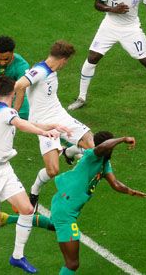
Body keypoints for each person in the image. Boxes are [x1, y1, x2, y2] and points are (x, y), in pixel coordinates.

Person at [0, 76, 69, 275]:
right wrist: (45, 133)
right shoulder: (7, 112)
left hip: (3, 168)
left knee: (27, 209)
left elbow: (23, 121)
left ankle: (17, 256)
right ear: (13, 93)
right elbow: (21, 125)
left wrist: (52, 126)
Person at [13, 41, 95, 208]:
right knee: (52, 170)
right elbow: (19, 84)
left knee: (90, 143)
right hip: (43, 124)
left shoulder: (50, 69)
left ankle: (69, 152)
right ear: (64, 59)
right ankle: (34, 190)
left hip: (59, 115)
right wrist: (15, 112)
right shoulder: (41, 70)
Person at [51, 132, 146, 274]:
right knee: (72, 264)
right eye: (110, 148)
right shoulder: (91, 155)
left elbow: (114, 183)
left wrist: (130, 191)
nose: (111, 151)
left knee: (53, 224)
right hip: (66, 209)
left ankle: (9, 218)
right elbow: (103, 147)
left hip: (64, 205)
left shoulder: (104, 162)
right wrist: (123, 139)